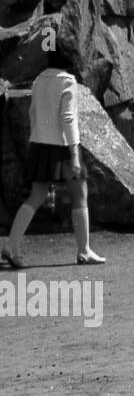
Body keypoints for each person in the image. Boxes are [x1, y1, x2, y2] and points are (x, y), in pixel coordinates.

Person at [1, 44, 104, 268]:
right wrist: (74, 155)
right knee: (80, 193)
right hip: (63, 146)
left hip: (40, 144)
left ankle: (11, 244)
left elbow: (32, 113)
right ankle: (84, 250)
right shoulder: (68, 81)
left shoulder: (39, 80)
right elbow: (68, 119)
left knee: (35, 196)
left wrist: (36, 139)